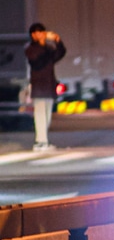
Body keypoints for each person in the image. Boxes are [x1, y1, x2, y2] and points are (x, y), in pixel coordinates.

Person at [25, 22, 65, 152]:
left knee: (47, 116)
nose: (41, 35)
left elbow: (59, 54)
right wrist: (43, 44)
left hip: (49, 85)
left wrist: (57, 41)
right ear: (33, 35)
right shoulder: (30, 49)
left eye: (42, 32)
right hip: (39, 86)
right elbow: (36, 61)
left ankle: (43, 141)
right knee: (40, 115)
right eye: (38, 32)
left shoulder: (47, 48)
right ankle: (40, 142)